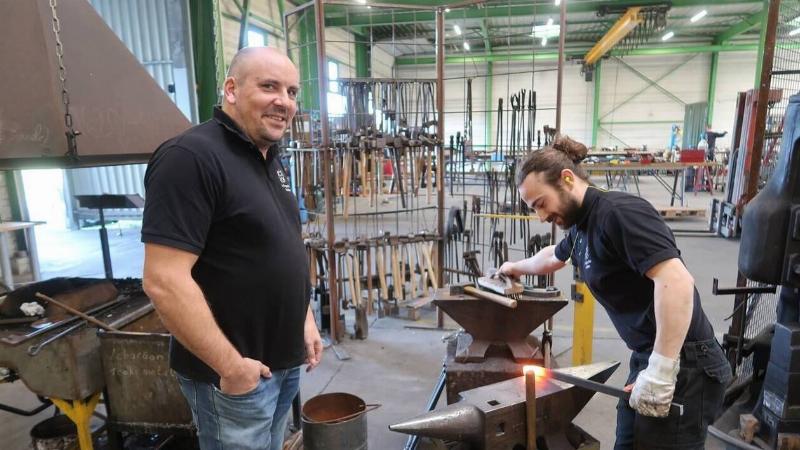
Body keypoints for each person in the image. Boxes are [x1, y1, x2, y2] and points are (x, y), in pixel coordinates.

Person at [141, 47, 322, 450]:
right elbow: (163, 280)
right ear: (231, 89)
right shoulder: (189, 158)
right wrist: (231, 367)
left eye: (292, 92)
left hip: (281, 362)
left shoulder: (271, 158)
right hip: (235, 377)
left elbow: (280, 245)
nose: (284, 102)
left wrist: (304, 318)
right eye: (269, 87)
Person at [499, 136, 731, 449]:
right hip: (649, 355)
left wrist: (662, 370)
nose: (541, 216)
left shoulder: (619, 213)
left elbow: (675, 280)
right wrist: (515, 266)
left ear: (566, 179)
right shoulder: (582, 224)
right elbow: (555, 255)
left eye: (541, 203)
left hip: (685, 362)